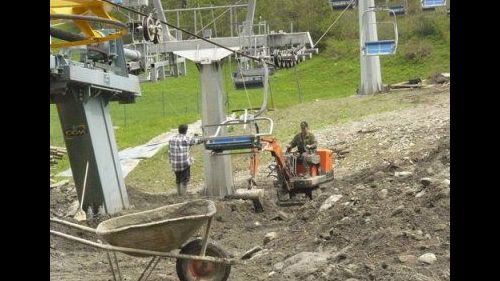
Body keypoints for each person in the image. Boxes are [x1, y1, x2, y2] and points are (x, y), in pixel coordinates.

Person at [168, 124, 203, 196]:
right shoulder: (187, 139)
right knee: (184, 180)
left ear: (179, 130)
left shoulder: (171, 139)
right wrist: (206, 139)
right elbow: (197, 141)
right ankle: (182, 196)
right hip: (184, 164)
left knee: (178, 179)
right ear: (186, 131)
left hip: (174, 164)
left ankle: (179, 194)